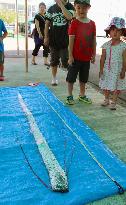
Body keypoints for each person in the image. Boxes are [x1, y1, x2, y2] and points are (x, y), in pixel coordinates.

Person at [66, 0, 96, 105]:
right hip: (75, 58)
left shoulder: (92, 24)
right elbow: (71, 41)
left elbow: (93, 40)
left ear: (88, 8)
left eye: (84, 7)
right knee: (71, 78)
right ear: (75, 8)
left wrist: (94, 54)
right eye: (78, 7)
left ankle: (82, 95)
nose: (81, 10)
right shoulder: (74, 23)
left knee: (83, 78)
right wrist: (70, 56)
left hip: (86, 58)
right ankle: (69, 95)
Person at [44, 0, 74, 86]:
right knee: (54, 60)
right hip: (53, 39)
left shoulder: (70, 6)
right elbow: (47, 24)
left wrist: (61, 5)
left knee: (65, 60)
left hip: (65, 39)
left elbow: (69, 17)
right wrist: (46, 37)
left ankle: (70, 76)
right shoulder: (51, 8)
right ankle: (54, 78)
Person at [99, 17, 126, 110]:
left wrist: (123, 70)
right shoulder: (106, 45)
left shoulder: (123, 46)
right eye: (113, 30)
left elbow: (125, 59)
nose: (115, 32)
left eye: (118, 30)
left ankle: (113, 102)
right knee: (106, 84)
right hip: (107, 69)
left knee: (116, 86)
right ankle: (106, 99)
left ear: (122, 32)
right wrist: (101, 69)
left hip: (117, 70)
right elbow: (102, 58)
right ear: (109, 31)